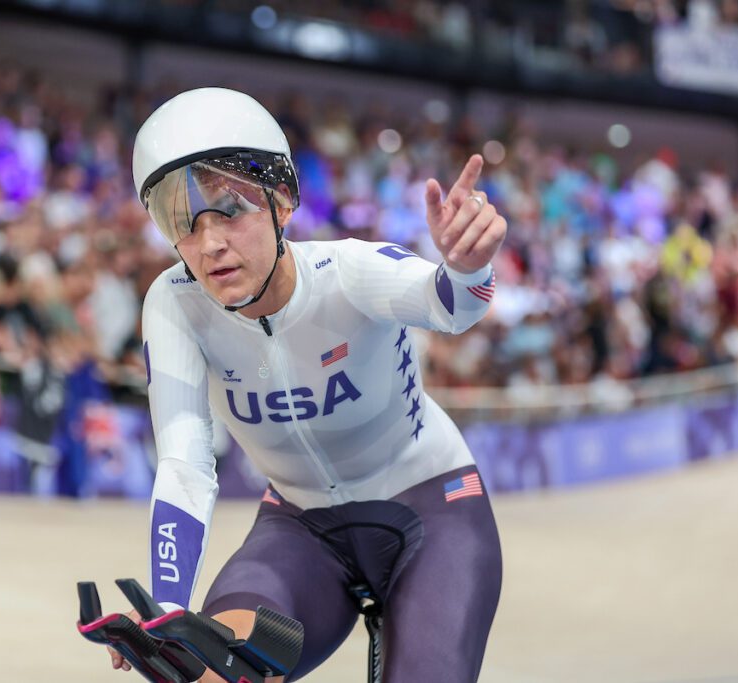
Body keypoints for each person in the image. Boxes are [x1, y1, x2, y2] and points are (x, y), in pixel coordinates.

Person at [114, 88, 506, 682]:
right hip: (299, 526)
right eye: (181, 222)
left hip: (432, 509)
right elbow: (186, 463)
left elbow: (450, 306)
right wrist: (168, 612)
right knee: (218, 671)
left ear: (284, 202)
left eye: (230, 210)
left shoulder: (349, 273)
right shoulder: (173, 303)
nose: (210, 243)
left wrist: (469, 265)